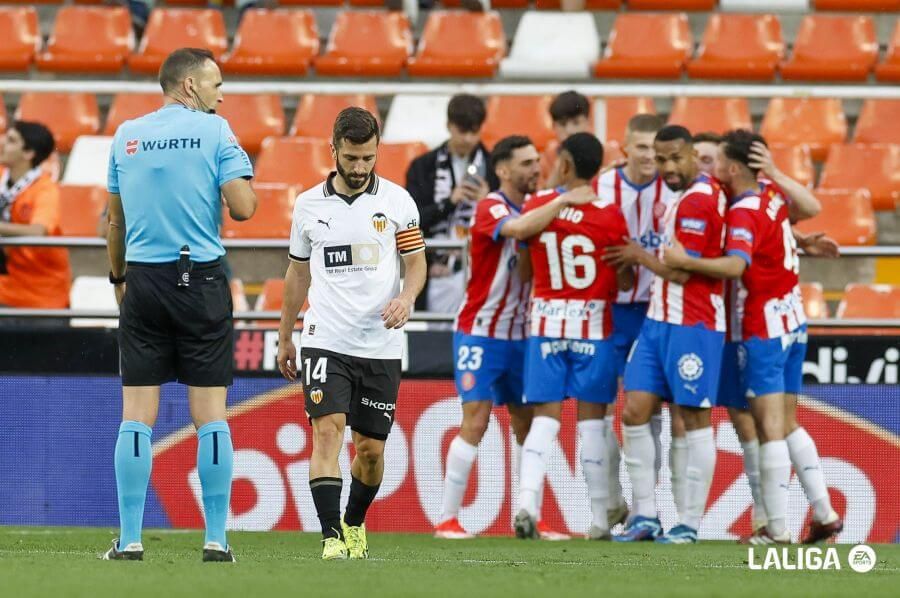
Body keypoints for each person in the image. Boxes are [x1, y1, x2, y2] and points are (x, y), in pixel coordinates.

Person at [103, 47, 257, 562]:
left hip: (143, 280)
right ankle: (216, 538)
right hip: (202, 279)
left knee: (136, 417)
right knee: (210, 416)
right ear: (190, 86)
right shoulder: (216, 131)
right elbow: (243, 209)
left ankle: (128, 540)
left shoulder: (126, 134)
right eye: (215, 82)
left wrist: (119, 279)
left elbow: (114, 224)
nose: (221, 92)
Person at [664, 130, 842, 545]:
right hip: (793, 320)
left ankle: (778, 530)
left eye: (717, 160)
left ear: (732, 167)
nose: (712, 168)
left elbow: (736, 266)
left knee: (769, 428)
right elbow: (806, 210)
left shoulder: (743, 208)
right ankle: (825, 513)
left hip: (761, 326)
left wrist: (684, 259)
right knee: (788, 422)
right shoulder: (771, 194)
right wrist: (796, 240)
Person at [276, 107, 427, 561]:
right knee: (328, 433)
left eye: (367, 158)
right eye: (351, 158)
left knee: (371, 451)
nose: (359, 168)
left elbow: (416, 264)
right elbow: (296, 275)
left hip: (380, 342)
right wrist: (286, 336)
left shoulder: (398, 203)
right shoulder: (307, 205)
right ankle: (330, 539)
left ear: (377, 151)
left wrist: (407, 298)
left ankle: (354, 523)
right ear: (334, 150)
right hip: (326, 338)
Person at [435, 135, 595, 540]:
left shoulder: (539, 205)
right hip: (481, 333)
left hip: (524, 337)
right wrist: (562, 201)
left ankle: (531, 515)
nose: (534, 168)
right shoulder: (492, 206)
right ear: (503, 170)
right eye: (524, 163)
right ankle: (447, 519)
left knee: (528, 426)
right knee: (476, 419)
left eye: (536, 161)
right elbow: (520, 228)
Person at [604, 125, 726, 544]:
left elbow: (680, 270)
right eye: (661, 159)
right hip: (658, 322)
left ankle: (689, 523)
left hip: (692, 323)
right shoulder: (682, 198)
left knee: (692, 420)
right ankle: (646, 517)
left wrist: (639, 256)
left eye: (676, 158)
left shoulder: (698, 201)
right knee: (634, 410)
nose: (668, 167)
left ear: (694, 155)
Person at [514, 132, 635, 541]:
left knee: (544, 420)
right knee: (592, 426)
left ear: (565, 165)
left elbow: (524, 270)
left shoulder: (537, 207)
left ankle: (527, 503)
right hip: (594, 327)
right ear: (597, 168)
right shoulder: (611, 216)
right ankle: (601, 520)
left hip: (546, 324)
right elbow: (624, 278)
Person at [593, 113, 680, 526]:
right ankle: (608, 503)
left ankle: (649, 505)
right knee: (599, 410)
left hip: (655, 312)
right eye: (641, 147)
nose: (649, 156)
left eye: (655, 148)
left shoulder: (676, 188)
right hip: (607, 312)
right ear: (625, 148)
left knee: (649, 410)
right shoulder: (602, 186)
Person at [406, 94, 498, 313]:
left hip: (483, 269)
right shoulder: (423, 167)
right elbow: (411, 219)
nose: (468, 138)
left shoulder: (495, 165)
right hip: (436, 271)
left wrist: (489, 200)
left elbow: (512, 217)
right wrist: (448, 203)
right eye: (462, 131)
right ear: (449, 125)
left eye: (474, 132)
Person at [0, 121, 71, 309]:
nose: (1, 143)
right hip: (5, 291)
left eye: (11, 140)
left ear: (28, 153)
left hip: (42, 298)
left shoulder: (45, 190)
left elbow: (38, 231)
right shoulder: (1, 177)